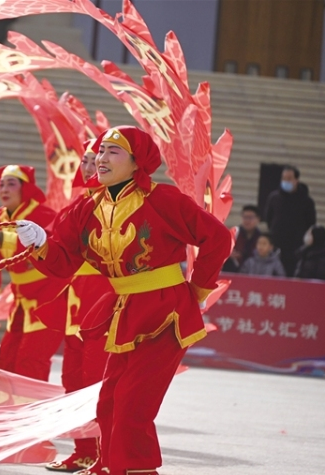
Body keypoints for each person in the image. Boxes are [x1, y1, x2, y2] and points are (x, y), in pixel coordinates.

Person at [16, 126, 231, 475]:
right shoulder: (86, 209)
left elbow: (217, 238)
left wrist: (198, 290)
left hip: (165, 311)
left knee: (133, 406)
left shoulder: (163, 199)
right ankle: (108, 466)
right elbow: (63, 264)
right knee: (109, 402)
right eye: (100, 151)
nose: (101, 159)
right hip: (124, 309)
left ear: (136, 162)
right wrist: (39, 243)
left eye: (112, 152)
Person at [0, 164, 69, 381]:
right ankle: (6, 402)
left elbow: (47, 248)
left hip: (49, 296)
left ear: (26, 188)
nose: (4, 190)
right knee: (7, 357)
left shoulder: (44, 214)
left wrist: (8, 239)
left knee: (32, 359)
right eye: (1, 185)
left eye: (11, 184)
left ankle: (31, 402)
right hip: (20, 296)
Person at [46, 139, 113, 473]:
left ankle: (107, 457)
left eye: (95, 159)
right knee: (73, 382)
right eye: (85, 161)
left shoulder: (119, 202)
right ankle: (84, 452)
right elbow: (54, 242)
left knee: (98, 384)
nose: (89, 167)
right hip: (76, 307)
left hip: (104, 304)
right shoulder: (78, 204)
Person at [264, 165, 316, 277]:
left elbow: (311, 223)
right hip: (277, 245)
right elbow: (269, 218)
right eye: (284, 178)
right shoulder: (274, 198)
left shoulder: (307, 201)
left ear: (296, 180)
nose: (286, 181)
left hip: (296, 248)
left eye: (289, 178)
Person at [221, 204, 261, 273]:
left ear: (258, 219)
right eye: (245, 217)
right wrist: (228, 253)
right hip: (231, 270)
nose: (247, 221)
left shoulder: (261, 237)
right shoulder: (234, 233)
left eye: (250, 218)